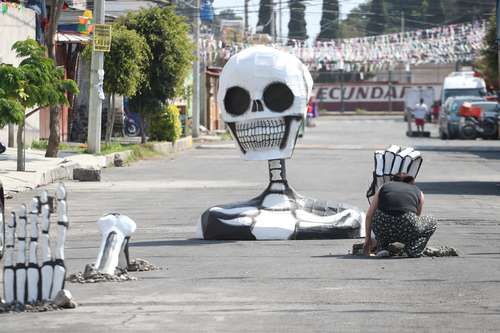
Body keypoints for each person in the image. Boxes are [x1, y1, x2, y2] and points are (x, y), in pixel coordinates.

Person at [363, 172, 437, 258]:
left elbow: (369, 215)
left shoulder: (384, 187)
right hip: (406, 225)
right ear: (411, 182)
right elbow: (417, 217)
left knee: (379, 214)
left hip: (383, 227)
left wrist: (367, 240)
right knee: (432, 221)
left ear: (393, 181)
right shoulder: (419, 192)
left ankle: (382, 247)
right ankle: (413, 249)